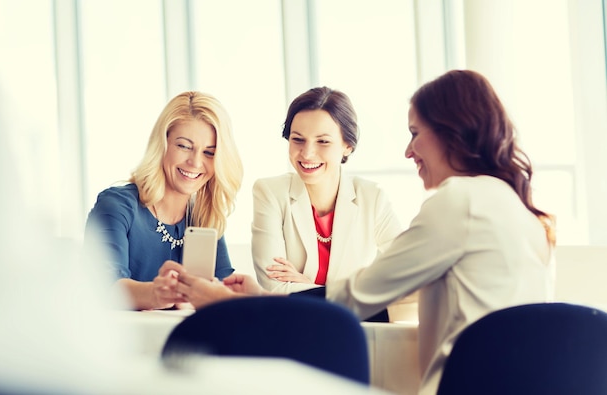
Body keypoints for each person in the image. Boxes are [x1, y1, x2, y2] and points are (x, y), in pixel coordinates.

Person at [172, 69, 557, 395]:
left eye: (415, 133)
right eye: (298, 139)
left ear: (450, 133)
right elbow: (391, 293)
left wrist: (234, 303)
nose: (408, 151)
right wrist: (263, 293)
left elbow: (359, 295)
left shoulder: (460, 201)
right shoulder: (515, 208)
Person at [84, 91, 243, 311]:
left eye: (209, 152)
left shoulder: (205, 216)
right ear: (163, 144)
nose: (195, 162)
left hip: (183, 342)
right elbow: (105, 287)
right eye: (184, 146)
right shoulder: (116, 206)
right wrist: (157, 294)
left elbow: (224, 295)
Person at [252, 86, 402, 294]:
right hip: (292, 324)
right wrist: (351, 293)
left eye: (323, 141)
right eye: (298, 139)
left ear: (347, 145)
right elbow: (275, 286)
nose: (307, 153)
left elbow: (409, 275)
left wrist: (305, 285)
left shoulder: (372, 198)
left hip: (353, 326)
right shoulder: (270, 193)